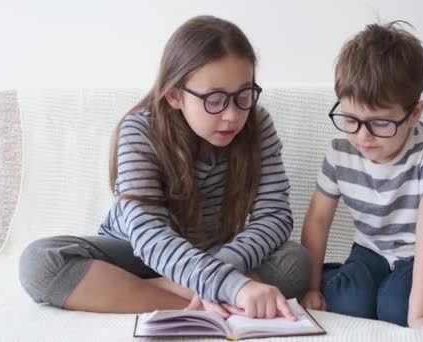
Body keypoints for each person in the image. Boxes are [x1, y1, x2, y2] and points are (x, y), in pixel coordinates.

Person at [19, 15, 311, 320]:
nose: (232, 115)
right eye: (214, 100)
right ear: (175, 95)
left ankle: (183, 291)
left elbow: (274, 215)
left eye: (244, 96)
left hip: (215, 254)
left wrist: (221, 269)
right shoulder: (139, 131)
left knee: (295, 261)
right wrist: (230, 286)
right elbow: (148, 234)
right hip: (137, 253)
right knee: (40, 261)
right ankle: (196, 301)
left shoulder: (257, 124)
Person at [300, 21, 423, 329]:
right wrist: (310, 287)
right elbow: (318, 220)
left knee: (396, 310)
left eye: (381, 123)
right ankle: (368, 285)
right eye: (350, 119)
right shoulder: (339, 152)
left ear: (415, 113)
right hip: (372, 250)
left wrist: (419, 317)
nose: (363, 137)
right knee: (349, 303)